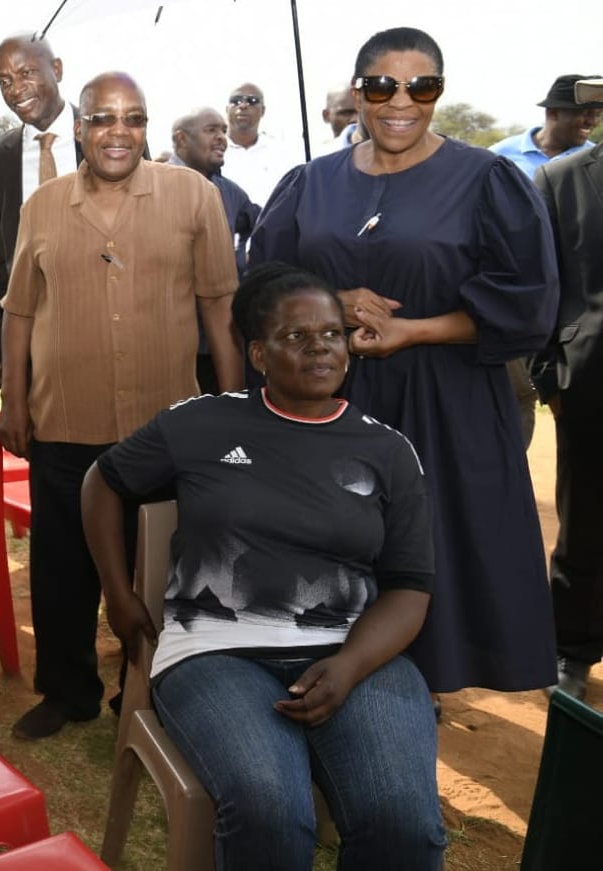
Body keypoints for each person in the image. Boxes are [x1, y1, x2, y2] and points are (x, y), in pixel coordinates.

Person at [82, 264, 446, 871]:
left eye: (332, 334)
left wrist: (350, 664)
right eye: (296, 336)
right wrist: (118, 596)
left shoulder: (387, 449)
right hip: (216, 653)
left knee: (403, 825)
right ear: (258, 352)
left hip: (354, 651)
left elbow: (410, 587)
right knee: (269, 811)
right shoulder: (201, 422)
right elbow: (102, 481)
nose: (320, 348)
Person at [251, 26, 560, 697]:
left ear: (439, 93)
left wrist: (412, 330)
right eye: (383, 85)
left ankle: (411, 712)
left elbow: (527, 303)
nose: (401, 101)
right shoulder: (310, 182)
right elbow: (263, 279)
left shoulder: (486, 179)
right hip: (331, 408)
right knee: (335, 563)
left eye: (422, 86)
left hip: (443, 408)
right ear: (359, 92)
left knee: (431, 561)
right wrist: (331, 299)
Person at [0, 71, 244, 740]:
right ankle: (68, 689)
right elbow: (18, 312)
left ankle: (154, 691)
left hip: (164, 425)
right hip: (63, 417)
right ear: (78, 128)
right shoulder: (42, 205)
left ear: (146, 128)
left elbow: (219, 309)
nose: (118, 132)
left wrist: (235, 409)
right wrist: (14, 401)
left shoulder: (193, 196)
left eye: (132, 119)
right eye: (103, 119)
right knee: (60, 564)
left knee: (165, 569)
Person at [532, 76, 603, 701]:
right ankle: (573, 654)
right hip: (589, 383)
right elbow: (539, 290)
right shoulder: (560, 179)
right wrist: (548, 375)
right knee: (584, 524)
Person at [489, 74, 603, 446]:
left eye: (596, 112)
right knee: (514, 397)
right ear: (553, 112)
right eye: (582, 112)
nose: (591, 120)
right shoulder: (500, 158)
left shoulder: (591, 167)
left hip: (571, 307)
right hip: (511, 297)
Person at [0, 34, 82, 382]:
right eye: (4, 81)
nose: (15, 89)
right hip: (29, 333)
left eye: (27, 73)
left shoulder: (109, 136)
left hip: (105, 324)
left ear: (57, 70)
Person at [168, 107, 260, 391]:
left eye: (223, 130)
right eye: (211, 130)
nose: (222, 137)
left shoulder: (230, 191)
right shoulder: (152, 186)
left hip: (218, 345)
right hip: (169, 346)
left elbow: (262, 230)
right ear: (181, 140)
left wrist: (239, 265)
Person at [489, 74, 603, 178]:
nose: (593, 122)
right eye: (585, 113)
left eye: (598, 115)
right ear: (553, 113)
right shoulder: (499, 155)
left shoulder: (596, 159)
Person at [221, 83, 298, 208]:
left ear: (263, 110)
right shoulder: (213, 152)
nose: (243, 105)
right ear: (226, 109)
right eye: (236, 101)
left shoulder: (282, 153)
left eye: (252, 101)